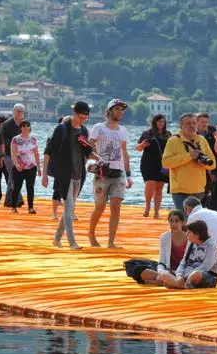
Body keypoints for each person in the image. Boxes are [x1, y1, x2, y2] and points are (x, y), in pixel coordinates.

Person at [43, 101, 93, 249]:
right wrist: (44, 174)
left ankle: (57, 239)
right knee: (69, 207)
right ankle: (72, 243)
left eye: (86, 115)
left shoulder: (84, 130)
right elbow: (48, 151)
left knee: (69, 209)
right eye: (81, 114)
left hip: (79, 173)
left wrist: (99, 158)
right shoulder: (62, 129)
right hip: (64, 174)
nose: (84, 117)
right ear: (75, 112)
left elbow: (87, 153)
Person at [88, 99, 133, 248]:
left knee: (116, 208)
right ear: (109, 111)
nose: (120, 112)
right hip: (102, 173)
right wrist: (94, 162)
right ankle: (91, 234)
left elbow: (125, 153)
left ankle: (111, 241)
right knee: (100, 207)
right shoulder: (98, 128)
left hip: (118, 172)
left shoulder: (123, 131)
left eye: (122, 110)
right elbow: (88, 148)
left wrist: (129, 174)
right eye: (117, 109)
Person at [162, 113, 216, 211]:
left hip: (199, 189)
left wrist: (204, 164)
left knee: (194, 221)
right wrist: (189, 156)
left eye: (194, 123)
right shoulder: (173, 141)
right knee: (184, 219)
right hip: (180, 190)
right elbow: (166, 162)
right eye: (188, 123)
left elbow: (213, 164)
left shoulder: (202, 140)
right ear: (181, 126)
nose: (191, 126)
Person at [153, 220, 217, 290]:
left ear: (197, 234)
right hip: (186, 274)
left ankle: (177, 284)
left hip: (205, 276)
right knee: (163, 274)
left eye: (189, 232)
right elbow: (183, 262)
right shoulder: (191, 243)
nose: (186, 234)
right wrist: (179, 275)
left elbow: (205, 267)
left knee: (196, 274)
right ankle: (184, 286)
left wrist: (185, 277)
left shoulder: (211, 246)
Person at [135, 113, 171, 219]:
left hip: (163, 164)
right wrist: (143, 145)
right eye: (159, 121)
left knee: (159, 189)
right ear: (154, 122)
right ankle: (147, 207)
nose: (161, 123)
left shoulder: (168, 134)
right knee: (150, 185)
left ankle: (156, 211)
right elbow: (138, 148)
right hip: (148, 163)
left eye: (163, 121)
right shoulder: (147, 133)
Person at [139, 210, 189, 284]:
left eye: (177, 221)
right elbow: (162, 261)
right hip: (169, 272)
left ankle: (164, 282)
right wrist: (161, 272)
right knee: (142, 272)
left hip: (184, 273)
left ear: (183, 223)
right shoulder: (164, 237)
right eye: (171, 221)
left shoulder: (190, 237)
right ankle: (168, 281)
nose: (173, 224)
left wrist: (179, 274)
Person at [10, 120, 41, 214]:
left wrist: (39, 167)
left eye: (28, 125)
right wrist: (16, 164)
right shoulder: (16, 139)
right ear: (21, 128)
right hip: (19, 167)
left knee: (30, 187)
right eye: (24, 125)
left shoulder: (33, 139)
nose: (26, 127)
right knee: (17, 187)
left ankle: (30, 207)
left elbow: (36, 153)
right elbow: (13, 153)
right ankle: (14, 206)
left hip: (31, 167)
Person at [0, 104, 25, 208]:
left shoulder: (24, 125)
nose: (19, 113)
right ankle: (15, 199)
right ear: (13, 111)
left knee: (13, 177)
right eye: (18, 111)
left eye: (21, 111)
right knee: (13, 176)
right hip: (8, 154)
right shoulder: (6, 124)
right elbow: (1, 140)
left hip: (20, 155)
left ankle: (11, 200)